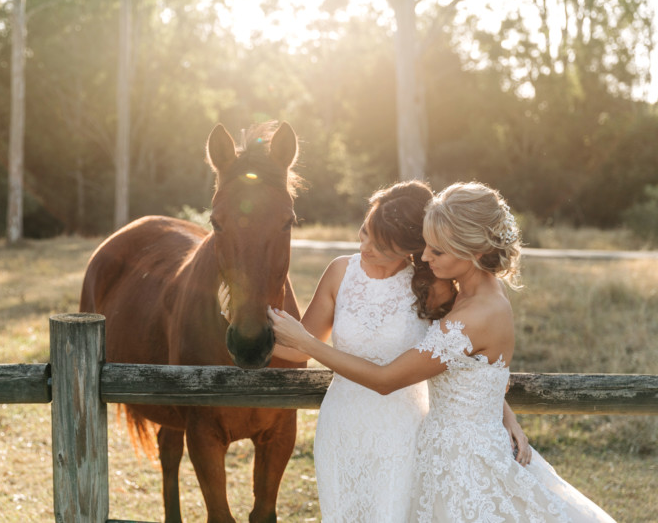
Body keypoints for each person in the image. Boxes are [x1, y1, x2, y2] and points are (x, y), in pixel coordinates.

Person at [268, 181, 617, 522]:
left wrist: (307, 343)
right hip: (421, 445)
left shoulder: (469, 312)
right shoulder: (466, 294)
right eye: (425, 247)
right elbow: (473, 369)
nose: (424, 256)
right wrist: (504, 413)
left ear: (474, 251)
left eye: (436, 251)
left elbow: (392, 377)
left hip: (449, 451)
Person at [221, 180, 531, 522]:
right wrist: (240, 319)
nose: (366, 247)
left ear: (408, 247)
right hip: (342, 426)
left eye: (381, 245)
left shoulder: (434, 287)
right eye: (365, 232)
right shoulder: (341, 272)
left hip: (402, 432)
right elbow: (298, 348)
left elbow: (464, 359)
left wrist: (500, 414)